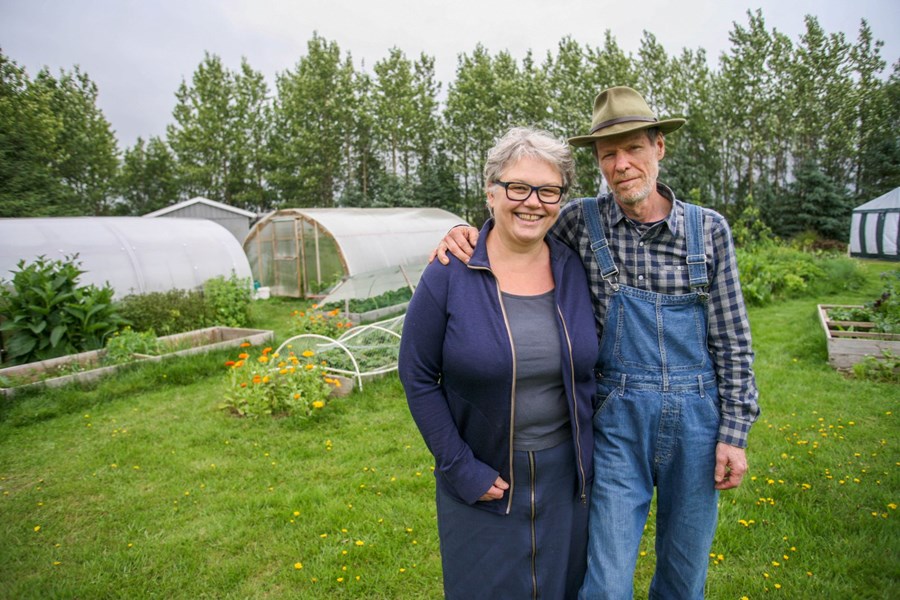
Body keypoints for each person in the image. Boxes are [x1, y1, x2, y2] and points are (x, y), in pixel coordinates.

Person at [435, 87, 761, 599]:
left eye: (634, 148)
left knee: (684, 573)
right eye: (608, 153)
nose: (622, 164)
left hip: (699, 421)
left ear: (660, 148)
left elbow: (733, 340)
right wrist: (462, 232)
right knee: (604, 581)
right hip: (617, 420)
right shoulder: (578, 222)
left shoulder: (709, 231)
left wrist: (734, 433)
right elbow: (518, 220)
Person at [399, 126, 598, 599]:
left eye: (549, 190)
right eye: (517, 187)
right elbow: (418, 374)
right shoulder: (451, 271)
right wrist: (460, 466)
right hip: (483, 479)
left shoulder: (575, 268)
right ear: (491, 192)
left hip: (567, 481)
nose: (533, 201)